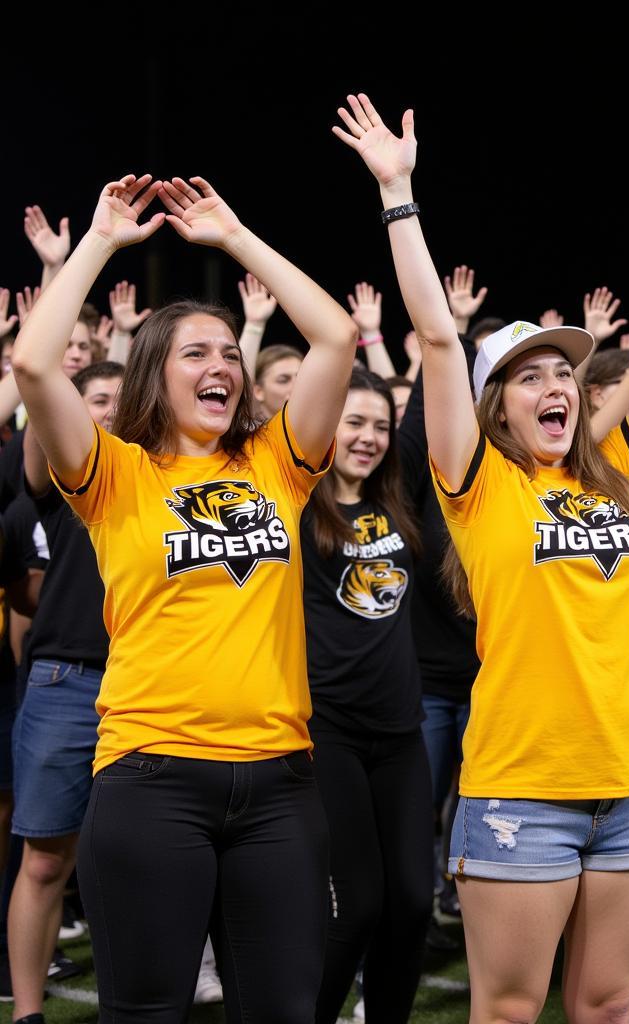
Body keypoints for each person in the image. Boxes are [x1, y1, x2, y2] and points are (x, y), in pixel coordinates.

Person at [335, 91, 629, 1023]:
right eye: (530, 376)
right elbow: (440, 338)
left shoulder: (623, 478)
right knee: (511, 1010)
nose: (556, 383)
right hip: (525, 786)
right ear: (495, 408)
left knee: (606, 1007)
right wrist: (399, 194)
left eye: (564, 370)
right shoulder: (480, 485)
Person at [11, 171, 357, 1024]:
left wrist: (235, 238)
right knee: (147, 1011)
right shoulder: (114, 474)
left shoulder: (276, 462)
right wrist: (96, 242)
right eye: (196, 353)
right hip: (151, 777)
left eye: (230, 354)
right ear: (154, 376)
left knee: (281, 1010)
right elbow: (31, 361)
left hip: (279, 783)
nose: (222, 367)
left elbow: (337, 337)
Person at [301, 365, 432, 1023]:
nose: (370, 437)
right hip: (330, 732)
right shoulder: (297, 502)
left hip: (401, 734)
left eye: (380, 425)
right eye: (354, 421)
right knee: (355, 907)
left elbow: (431, 393)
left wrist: (450, 333)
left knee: (413, 901)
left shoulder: (396, 495)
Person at [7, 362, 122, 1024]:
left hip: (149, 686)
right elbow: (34, 384)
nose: (106, 409)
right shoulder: (66, 476)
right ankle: (26, 1014)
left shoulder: (157, 470)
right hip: (66, 682)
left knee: (135, 857)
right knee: (46, 863)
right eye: (94, 399)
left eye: (117, 398)